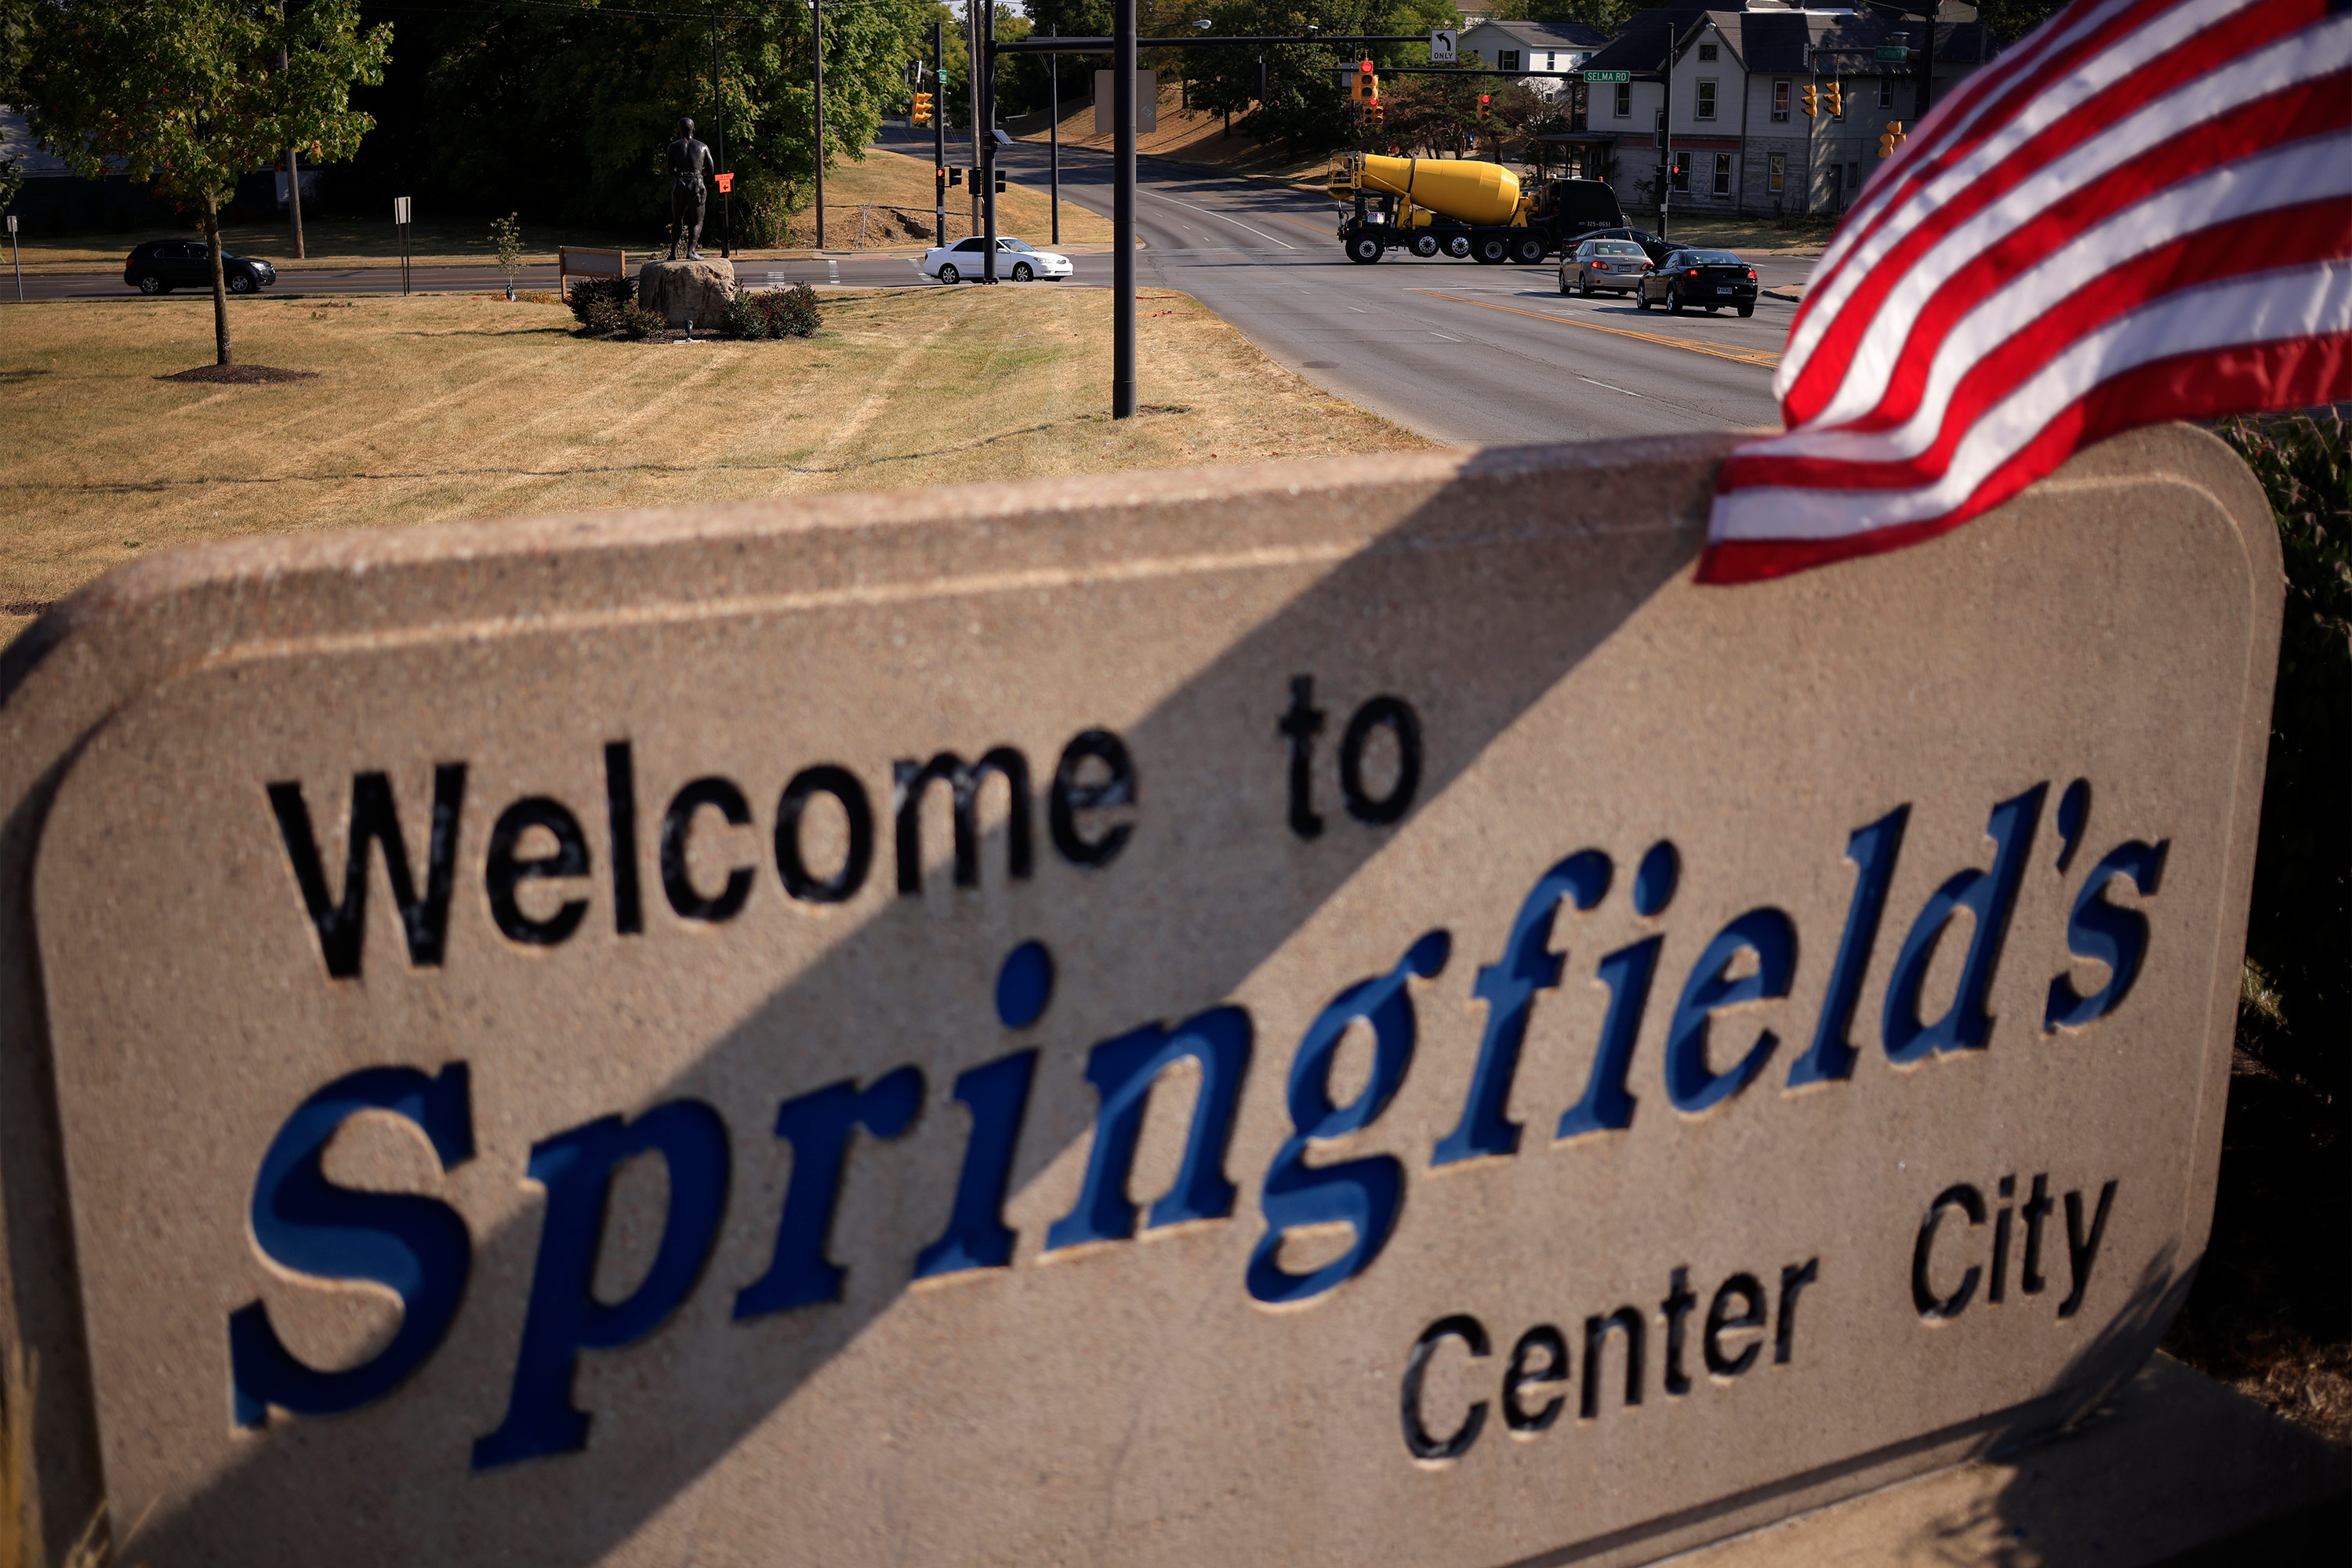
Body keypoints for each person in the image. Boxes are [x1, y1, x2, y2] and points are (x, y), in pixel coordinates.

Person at [666, 118, 716, 260]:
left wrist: (681, 173)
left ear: (679, 130)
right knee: (697, 221)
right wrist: (700, 172)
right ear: (693, 129)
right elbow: (711, 169)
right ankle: (691, 251)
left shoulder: (673, 147)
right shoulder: (703, 147)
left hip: (680, 182)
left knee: (677, 219)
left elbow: (670, 170)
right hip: (696, 183)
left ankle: (673, 253)